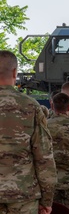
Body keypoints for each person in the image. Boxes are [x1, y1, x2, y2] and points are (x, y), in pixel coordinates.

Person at [0, 50, 57, 214]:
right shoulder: (30, 106)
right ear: (15, 72)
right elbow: (44, 156)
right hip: (23, 196)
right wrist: (47, 200)